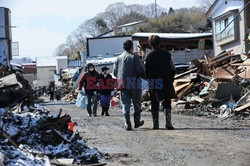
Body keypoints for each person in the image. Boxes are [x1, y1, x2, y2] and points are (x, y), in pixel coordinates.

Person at [145, 35, 176, 130]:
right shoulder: (166, 53)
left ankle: (155, 124)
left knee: (154, 102)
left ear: (150, 44)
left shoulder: (148, 55)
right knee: (167, 101)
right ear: (160, 43)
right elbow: (173, 68)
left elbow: (146, 71)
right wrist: (171, 78)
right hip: (166, 80)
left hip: (154, 81)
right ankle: (168, 123)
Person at [113, 40, 145, 131]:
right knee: (136, 103)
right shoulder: (134, 57)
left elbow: (115, 73)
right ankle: (137, 121)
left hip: (122, 84)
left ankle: (127, 122)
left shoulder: (118, 58)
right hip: (134, 83)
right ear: (132, 47)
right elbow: (140, 71)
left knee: (125, 104)